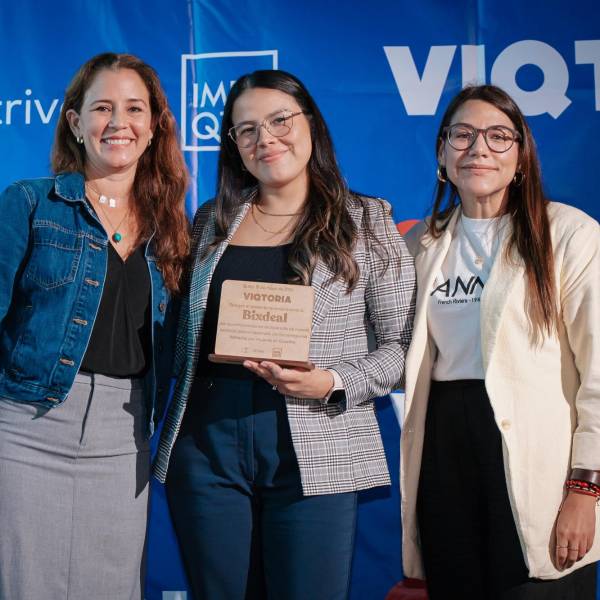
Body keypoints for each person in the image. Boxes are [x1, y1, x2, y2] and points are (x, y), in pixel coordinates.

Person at [154, 69, 416, 600]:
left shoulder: (365, 219)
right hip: (208, 449)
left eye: (280, 121)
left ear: (311, 124)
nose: (265, 139)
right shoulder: (211, 221)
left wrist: (333, 381)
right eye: (247, 129)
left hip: (315, 443)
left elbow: (403, 346)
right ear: (234, 144)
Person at [0, 52, 189, 599]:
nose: (118, 122)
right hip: (26, 426)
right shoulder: (30, 203)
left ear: (153, 127)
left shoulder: (172, 229)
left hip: (123, 433)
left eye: (134, 109)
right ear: (75, 122)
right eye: (102, 107)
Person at [401, 84, 600, 599]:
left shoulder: (568, 234)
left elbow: (598, 376)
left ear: (521, 156)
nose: (479, 148)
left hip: (539, 455)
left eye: (497, 136)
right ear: (442, 153)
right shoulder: (419, 242)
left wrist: (585, 489)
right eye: (462, 135)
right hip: (445, 447)